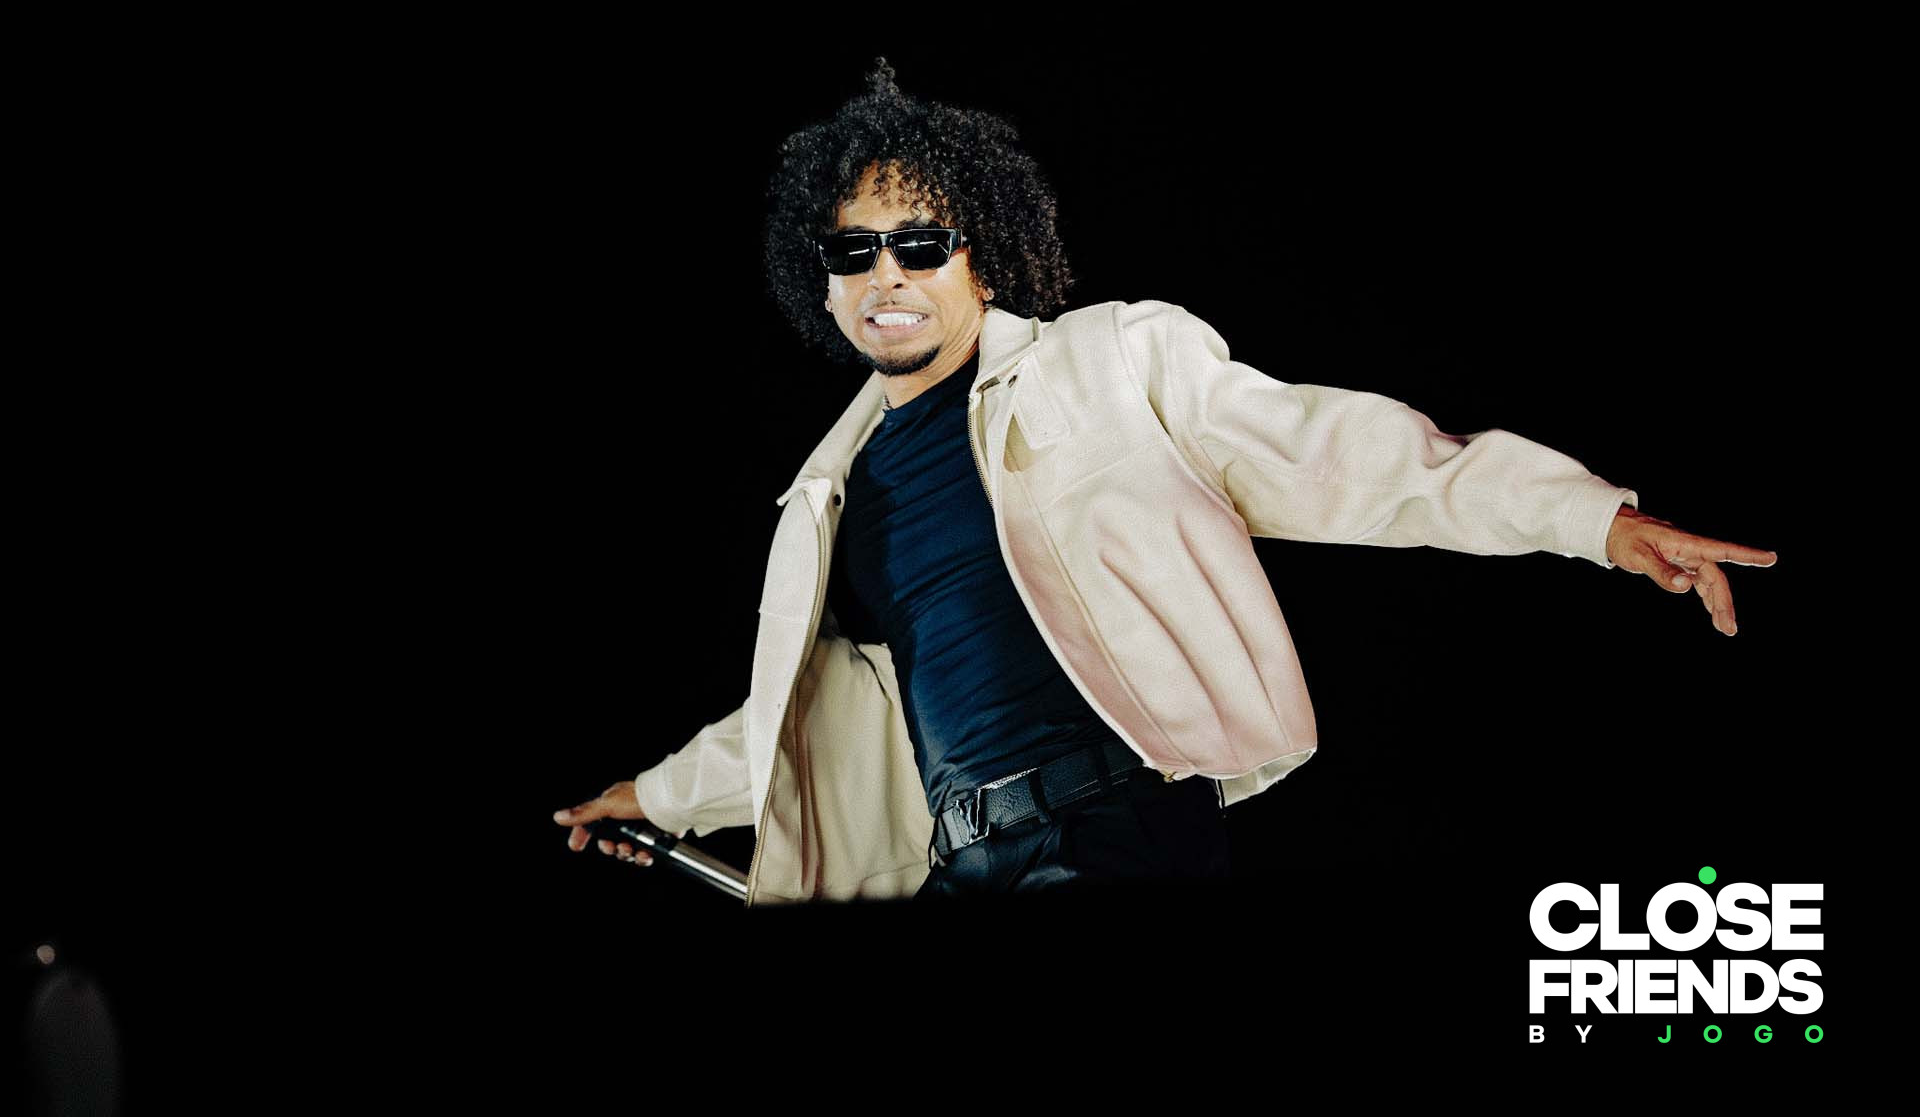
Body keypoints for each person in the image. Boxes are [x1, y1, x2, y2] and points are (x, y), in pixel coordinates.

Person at [553, 58, 1777, 903]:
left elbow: (1335, 451)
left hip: (1113, 830)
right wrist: (649, 797)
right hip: (959, 864)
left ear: (982, 259)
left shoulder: (1111, 362)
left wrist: (1591, 520)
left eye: (921, 243)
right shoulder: (832, 495)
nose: (888, 274)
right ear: (820, 282)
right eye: (855, 250)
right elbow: (791, 721)